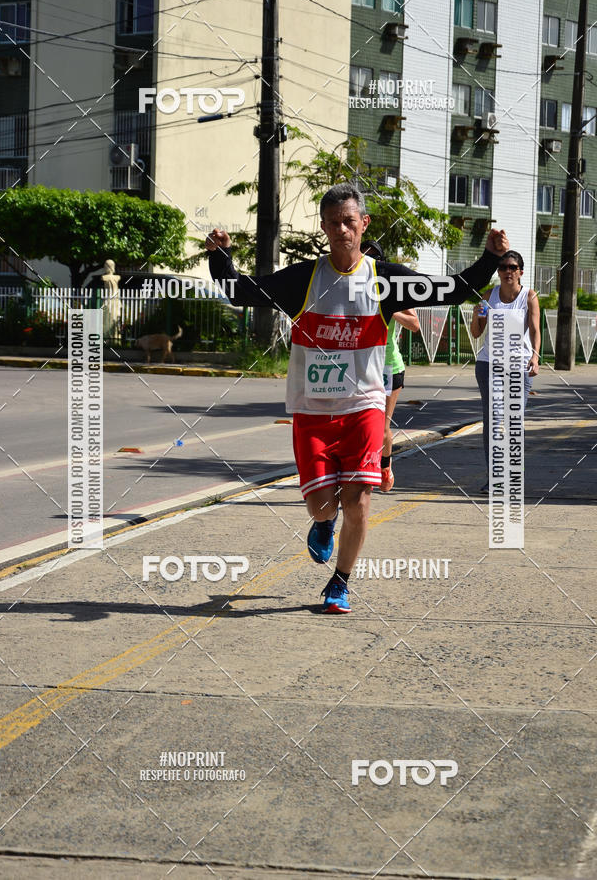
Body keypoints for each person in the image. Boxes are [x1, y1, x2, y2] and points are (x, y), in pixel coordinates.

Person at [206, 182, 509, 613]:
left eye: (350, 221)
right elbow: (241, 292)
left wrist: (491, 258)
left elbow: (454, 291)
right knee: (320, 505)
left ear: (363, 224)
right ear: (325, 228)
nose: (342, 231)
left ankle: (339, 583)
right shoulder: (302, 280)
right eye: (333, 223)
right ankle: (323, 524)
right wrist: (220, 256)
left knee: (359, 500)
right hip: (312, 412)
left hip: (364, 406)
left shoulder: (385, 280)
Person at [470, 250, 540, 492]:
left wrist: (535, 356)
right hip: (489, 364)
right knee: (494, 421)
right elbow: (477, 333)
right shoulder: (489, 296)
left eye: (512, 267)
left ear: (520, 271)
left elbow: (534, 330)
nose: (507, 272)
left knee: (513, 422)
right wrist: (477, 316)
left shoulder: (529, 297)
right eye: (502, 267)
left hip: (519, 367)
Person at [361, 240, 420, 492]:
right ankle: (362, 471)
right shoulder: (347, 285)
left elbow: (415, 324)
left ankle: (384, 466)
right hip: (358, 366)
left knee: (380, 425)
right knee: (359, 424)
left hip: (388, 366)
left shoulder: (392, 289)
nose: (370, 260)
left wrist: (390, 309)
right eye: (365, 256)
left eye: (375, 257)